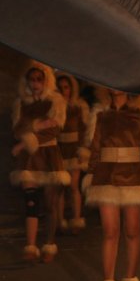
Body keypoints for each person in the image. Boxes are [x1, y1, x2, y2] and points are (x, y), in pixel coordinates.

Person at [83, 88, 140, 281]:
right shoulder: (100, 114)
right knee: (110, 231)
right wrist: (92, 173)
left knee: (132, 229)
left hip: (134, 176)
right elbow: (95, 148)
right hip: (105, 177)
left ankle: (130, 279)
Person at [10, 61, 70, 262]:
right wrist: (38, 125)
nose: (35, 83)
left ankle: (49, 244)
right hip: (30, 157)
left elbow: (55, 129)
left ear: (46, 80)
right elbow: (18, 129)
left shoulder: (55, 101)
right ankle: (31, 245)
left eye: (39, 79)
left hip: (49, 155)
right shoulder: (22, 102)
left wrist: (30, 137)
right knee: (31, 201)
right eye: (32, 79)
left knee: (51, 203)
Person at [56, 72, 89, 234]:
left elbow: (84, 129)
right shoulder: (54, 106)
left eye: (66, 87)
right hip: (60, 150)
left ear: (71, 88)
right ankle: (60, 221)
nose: (64, 91)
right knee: (61, 186)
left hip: (74, 150)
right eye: (60, 88)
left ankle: (76, 219)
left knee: (74, 185)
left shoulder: (79, 106)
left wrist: (82, 149)